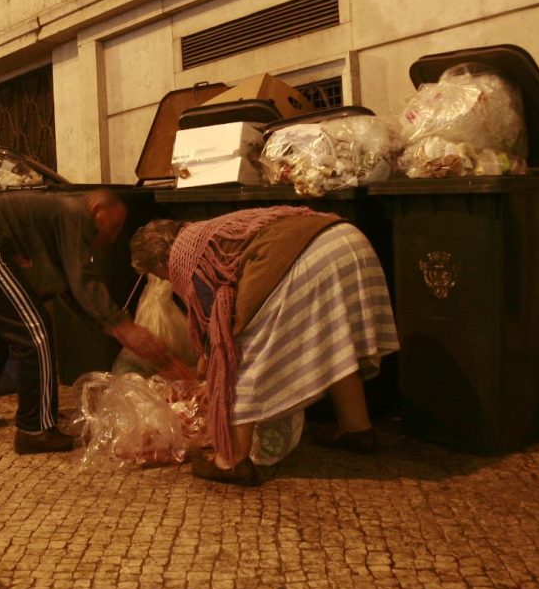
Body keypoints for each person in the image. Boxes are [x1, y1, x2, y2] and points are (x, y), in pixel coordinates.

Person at [129, 208, 399, 487]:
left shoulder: (186, 257)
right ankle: (357, 429)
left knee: (237, 354)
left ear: (161, 262)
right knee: (335, 341)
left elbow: (222, 328)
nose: (166, 281)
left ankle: (231, 461)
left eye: (159, 275)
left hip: (314, 258)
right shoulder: (206, 232)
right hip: (346, 240)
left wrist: (211, 366)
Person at [0, 189, 187, 455]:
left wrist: (112, 327)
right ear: (96, 209)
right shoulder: (74, 214)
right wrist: (123, 325)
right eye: (114, 225)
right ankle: (34, 429)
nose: (112, 236)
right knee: (34, 331)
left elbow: (70, 290)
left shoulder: (58, 219)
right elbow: (81, 280)